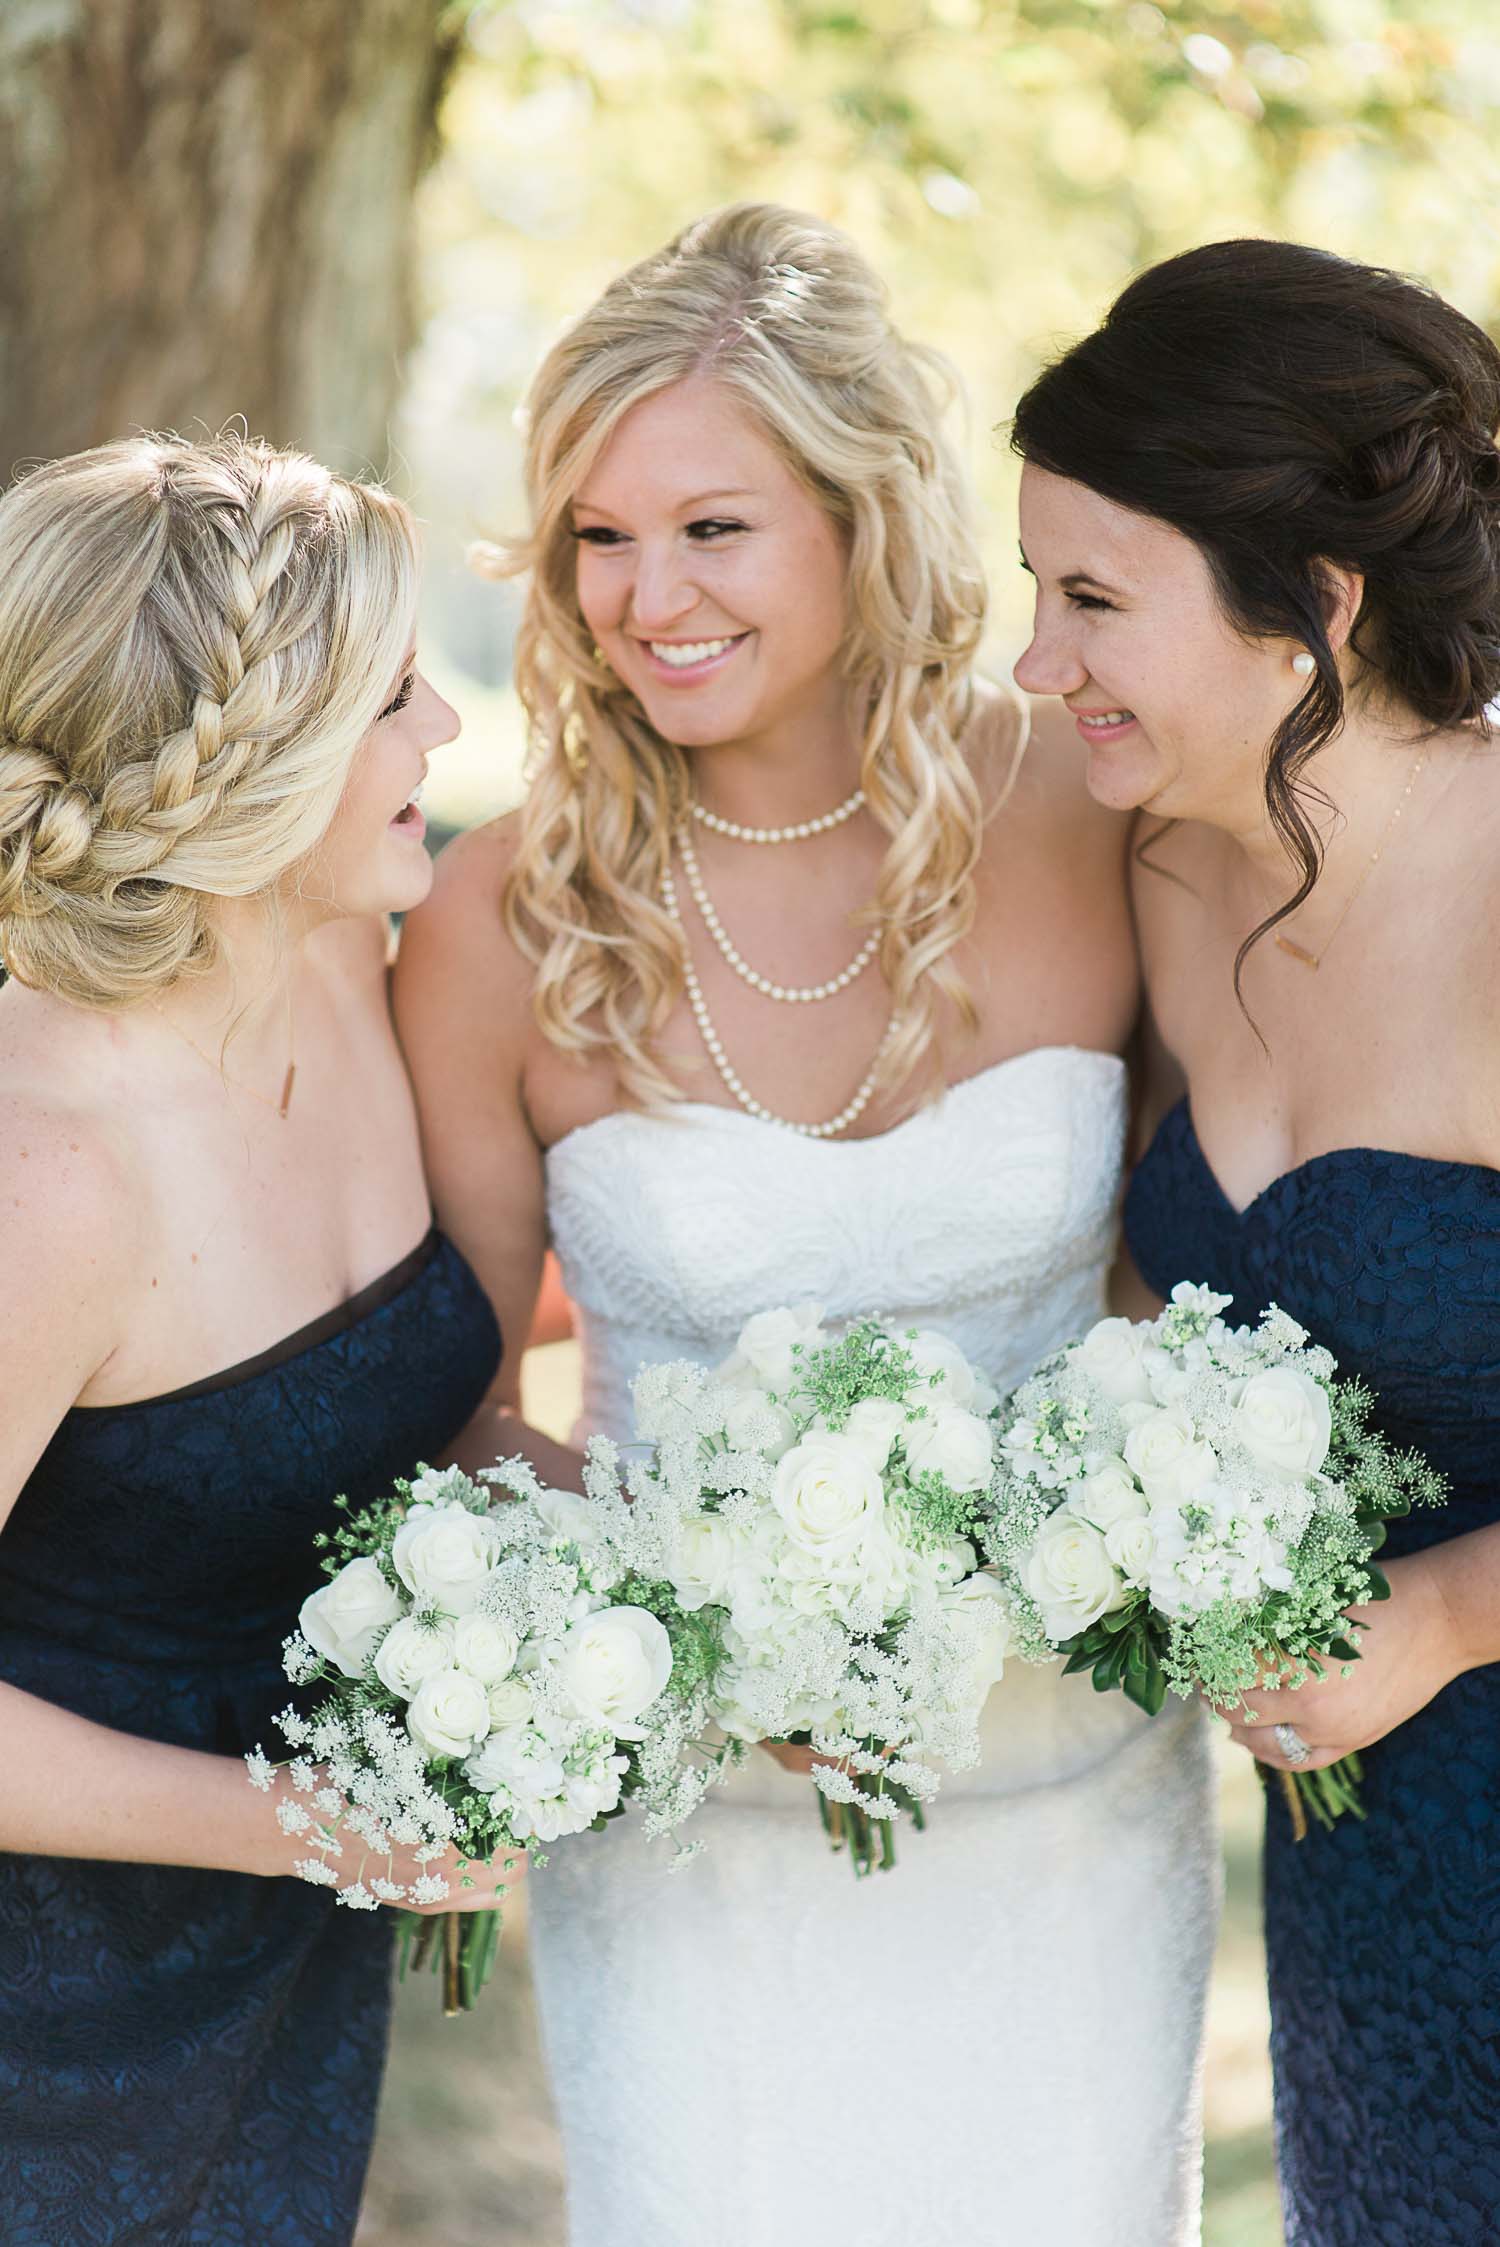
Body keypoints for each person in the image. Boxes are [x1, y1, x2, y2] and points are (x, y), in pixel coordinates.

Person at [394, 203, 1217, 2246]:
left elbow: (1205, 1272)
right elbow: (466, 1410)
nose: (641, 598)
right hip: (700, 1846)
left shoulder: (1096, 820)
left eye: (713, 531)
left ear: (862, 515)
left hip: (1073, 1805)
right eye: (595, 536)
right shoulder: (505, 916)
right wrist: (668, 1621)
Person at [1012, 237, 1500, 2247]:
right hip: (1370, 1881)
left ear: (1315, 607)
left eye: (1094, 601)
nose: (1040, 663)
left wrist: (1456, 1619)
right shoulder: (1155, 869)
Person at [0, 434, 508, 2247]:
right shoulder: (44, 1171)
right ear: (252, 769)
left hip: (278, 1984)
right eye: (389, 699)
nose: (445, 731)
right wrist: (321, 1828)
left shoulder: (351, 965)